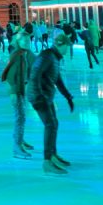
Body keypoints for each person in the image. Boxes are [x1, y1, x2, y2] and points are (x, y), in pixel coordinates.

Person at [26, 34, 75, 175]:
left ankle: (52, 155)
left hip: (45, 96)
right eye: (67, 45)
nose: (68, 48)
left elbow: (57, 79)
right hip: (39, 96)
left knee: (54, 124)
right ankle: (47, 161)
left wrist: (68, 97)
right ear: (61, 44)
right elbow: (34, 74)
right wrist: (39, 97)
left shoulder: (54, 58)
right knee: (50, 124)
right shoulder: (47, 56)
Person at [1, 32, 35, 159]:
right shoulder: (17, 55)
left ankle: (20, 140)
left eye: (28, 41)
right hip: (16, 91)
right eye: (24, 41)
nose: (26, 43)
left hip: (22, 89)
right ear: (18, 42)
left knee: (22, 116)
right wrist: (14, 93)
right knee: (19, 118)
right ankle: (17, 146)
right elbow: (10, 75)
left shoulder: (26, 53)